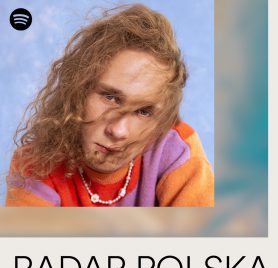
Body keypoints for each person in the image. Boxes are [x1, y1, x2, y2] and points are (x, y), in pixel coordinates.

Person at [6, 4, 214, 207]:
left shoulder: (177, 148)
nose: (118, 131)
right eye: (110, 97)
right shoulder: (36, 165)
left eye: (144, 111)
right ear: (78, 90)